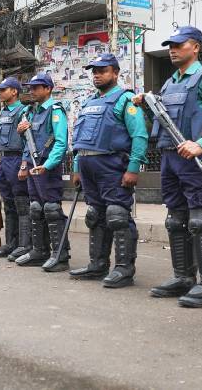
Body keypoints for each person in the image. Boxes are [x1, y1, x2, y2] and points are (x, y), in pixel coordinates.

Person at [131, 27, 202, 304]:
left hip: (195, 159)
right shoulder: (169, 84)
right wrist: (145, 106)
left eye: (178, 44)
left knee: (201, 220)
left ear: (195, 47)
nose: (172, 49)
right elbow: (161, 124)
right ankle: (184, 277)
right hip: (169, 158)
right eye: (169, 45)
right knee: (176, 220)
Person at [69, 54, 148, 286]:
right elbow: (81, 140)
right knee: (95, 216)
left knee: (118, 215)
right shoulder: (88, 103)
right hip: (88, 166)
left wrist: (133, 168)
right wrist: (76, 168)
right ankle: (97, 265)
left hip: (112, 166)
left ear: (115, 73)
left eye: (102, 70)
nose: (96, 74)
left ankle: (124, 269)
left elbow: (140, 135)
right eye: (94, 71)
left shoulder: (126, 99)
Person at [14, 73, 69, 271]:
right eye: (31, 87)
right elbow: (27, 143)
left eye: (37, 87)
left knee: (52, 209)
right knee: (36, 207)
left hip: (47, 166)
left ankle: (60, 255)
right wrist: (21, 133)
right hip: (32, 165)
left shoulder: (55, 111)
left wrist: (48, 164)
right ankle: (39, 250)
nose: (32, 91)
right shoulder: (31, 112)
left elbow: (61, 142)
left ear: (48, 89)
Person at [0, 77, 31, 260]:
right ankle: (11, 243)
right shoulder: (3, 112)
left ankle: (24, 245)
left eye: (3, 89)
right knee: (8, 205)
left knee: (22, 205)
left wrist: (24, 164)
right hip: (5, 161)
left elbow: (27, 142)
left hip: (17, 159)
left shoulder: (23, 111)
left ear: (14, 91)